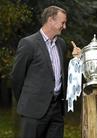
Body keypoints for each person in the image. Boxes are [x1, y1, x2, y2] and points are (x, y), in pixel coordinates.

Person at [11, 5, 80, 138]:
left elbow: (62, 74)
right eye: (63, 22)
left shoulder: (61, 44)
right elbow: (17, 77)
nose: (64, 27)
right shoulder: (28, 43)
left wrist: (76, 59)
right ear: (50, 20)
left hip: (57, 110)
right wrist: (27, 101)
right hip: (33, 111)